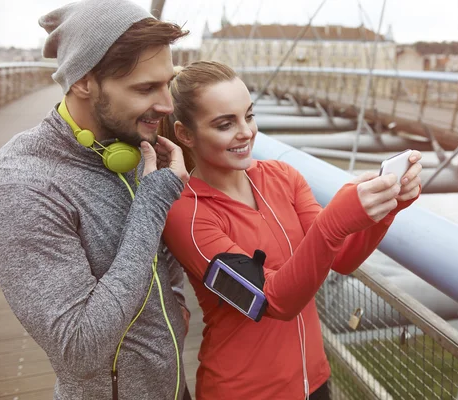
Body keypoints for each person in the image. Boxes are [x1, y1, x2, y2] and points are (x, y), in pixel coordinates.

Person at [160, 61, 422, 400]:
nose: (246, 132)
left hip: (313, 381)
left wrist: (388, 206)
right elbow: (272, 301)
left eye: (249, 116)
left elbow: (340, 257)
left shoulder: (282, 175)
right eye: (225, 124)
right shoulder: (186, 214)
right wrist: (336, 220)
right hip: (245, 392)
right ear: (185, 134)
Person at [0, 1, 193, 399]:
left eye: (166, 82)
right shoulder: (24, 185)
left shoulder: (128, 144)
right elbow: (79, 352)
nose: (168, 105)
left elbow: (154, 255)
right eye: (145, 88)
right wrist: (152, 205)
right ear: (84, 81)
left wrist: (173, 300)